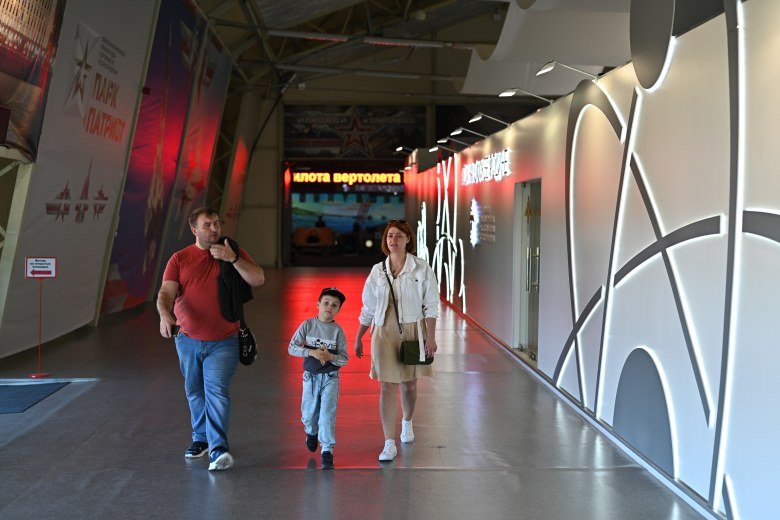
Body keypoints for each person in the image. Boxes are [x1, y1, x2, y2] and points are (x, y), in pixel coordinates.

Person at [157, 207, 264, 471]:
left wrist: (232, 258)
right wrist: (164, 314)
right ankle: (201, 439)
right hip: (187, 340)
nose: (214, 228)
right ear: (194, 230)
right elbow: (166, 293)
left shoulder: (231, 249)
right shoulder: (179, 259)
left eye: (216, 223)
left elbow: (258, 278)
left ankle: (218, 449)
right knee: (195, 391)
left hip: (225, 340)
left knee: (216, 392)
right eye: (207, 225)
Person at [355, 219, 439, 462]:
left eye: (399, 236)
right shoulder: (377, 271)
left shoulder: (421, 268)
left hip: (412, 330)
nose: (394, 240)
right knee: (386, 386)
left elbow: (431, 305)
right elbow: (368, 307)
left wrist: (430, 337)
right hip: (383, 332)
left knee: (409, 385)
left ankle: (407, 422)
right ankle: (388, 443)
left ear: (408, 239)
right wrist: (359, 335)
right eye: (390, 236)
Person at [288, 287, 349, 470]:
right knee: (308, 415)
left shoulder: (338, 332)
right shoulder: (307, 325)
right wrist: (311, 352)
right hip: (310, 378)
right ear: (318, 304)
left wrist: (330, 357)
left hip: (330, 378)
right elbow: (292, 347)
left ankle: (327, 451)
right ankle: (311, 432)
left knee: (327, 415)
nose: (329, 307)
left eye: (334, 305)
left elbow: (344, 358)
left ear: (338, 310)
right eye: (326, 303)